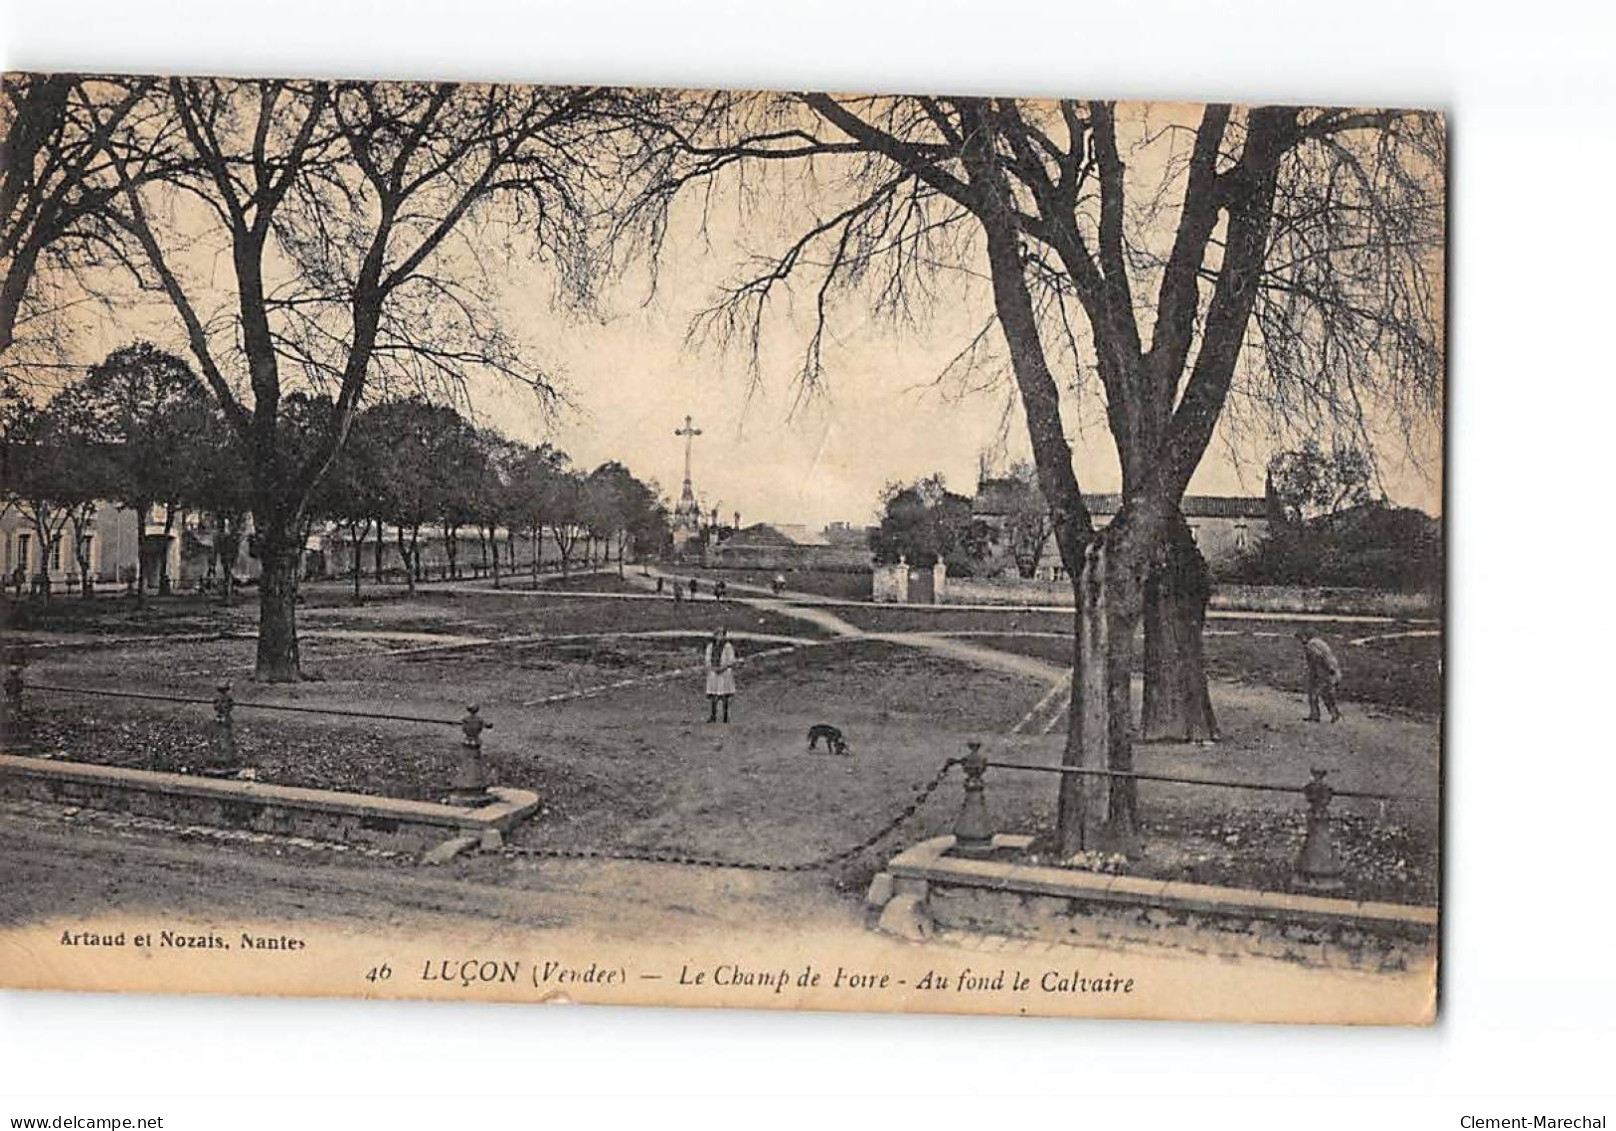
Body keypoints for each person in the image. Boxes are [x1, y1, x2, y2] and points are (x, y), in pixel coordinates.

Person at [1295, 630, 1343, 723]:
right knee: (1326, 695)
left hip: (1327, 672)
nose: (1300, 641)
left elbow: (1318, 658)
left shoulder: (1311, 645)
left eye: (1301, 638)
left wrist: (1318, 674)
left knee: (1314, 694)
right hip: (1331, 671)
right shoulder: (1318, 642)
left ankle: (1316, 715)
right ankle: (1333, 714)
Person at [704, 627, 737, 723]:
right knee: (713, 694)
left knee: (724, 695)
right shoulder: (710, 646)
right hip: (714, 673)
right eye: (717, 635)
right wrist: (712, 668)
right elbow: (707, 658)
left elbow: (731, 659)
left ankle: (725, 717)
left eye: (721, 635)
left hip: (724, 673)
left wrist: (724, 667)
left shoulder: (727, 646)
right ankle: (713, 715)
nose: (719, 637)